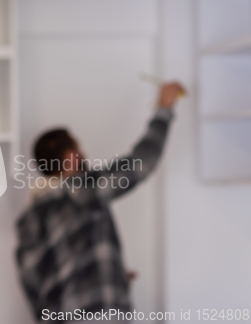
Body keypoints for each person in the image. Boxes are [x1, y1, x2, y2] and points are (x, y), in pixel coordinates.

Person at [16, 83, 185, 323]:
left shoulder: (28, 220)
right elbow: (140, 163)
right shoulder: (80, 190)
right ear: (70, 157)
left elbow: (33, 287)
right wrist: (164, 108)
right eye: (78, 147)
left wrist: (109, 278)